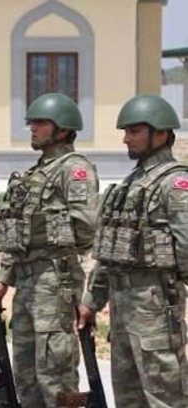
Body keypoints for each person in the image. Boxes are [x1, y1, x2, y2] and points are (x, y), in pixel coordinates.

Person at [0, 93, 99, 406]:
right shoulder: (35, 174)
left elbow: (85, 228)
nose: (32, 129)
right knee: (26, 373)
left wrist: (50, 242)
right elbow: (18, 231)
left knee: (54, 372)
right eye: (31, 123)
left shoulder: (74, 170)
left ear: (62, 130)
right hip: (26, 281)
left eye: (40, 123)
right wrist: (4, 278)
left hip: (54, 280)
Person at [80, 95, 188, 407]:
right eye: (126, 131)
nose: (126, 138)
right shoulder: (130, 184)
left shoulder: (175, 183)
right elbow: (110, 250)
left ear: (161, 133)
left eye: (134, 131)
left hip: (156, 307)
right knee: (128, 397)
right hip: (122, 308)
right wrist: (92, 300)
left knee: (165, 396)